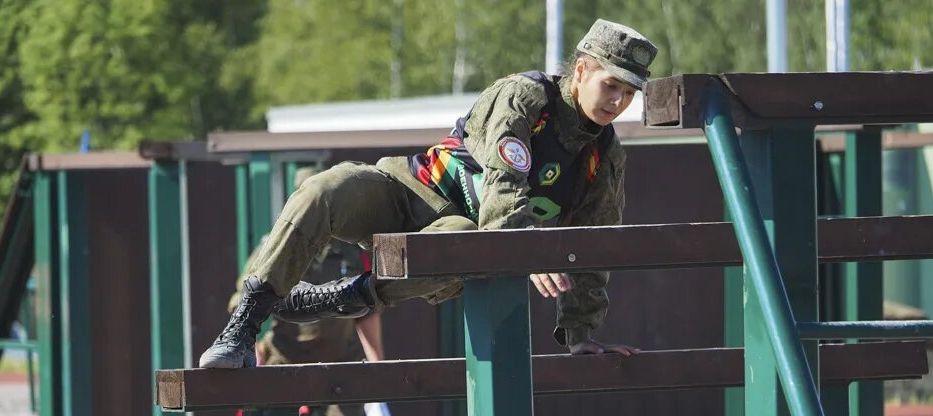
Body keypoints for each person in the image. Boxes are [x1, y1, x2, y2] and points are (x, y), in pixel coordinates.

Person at [198, 18, 658, 369]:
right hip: (407, 190)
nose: (617, 101)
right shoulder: (527, 98)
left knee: (458, 237)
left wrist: (580, 332)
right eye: (610, 85)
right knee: (325, 188)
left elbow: (595, 242)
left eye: (628, 93)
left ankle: (335, 299)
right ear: (580, 71)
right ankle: (241, 330)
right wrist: (528, 250)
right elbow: (503, 187)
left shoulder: (604, 157)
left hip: (455, 236)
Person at [237, 166, 411, 416]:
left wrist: (377, 362)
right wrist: (255, 346)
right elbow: (243, 300)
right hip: (285, 366)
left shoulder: (351, 249)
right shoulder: (276, 245)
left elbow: (368, 306)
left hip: (337, 366)